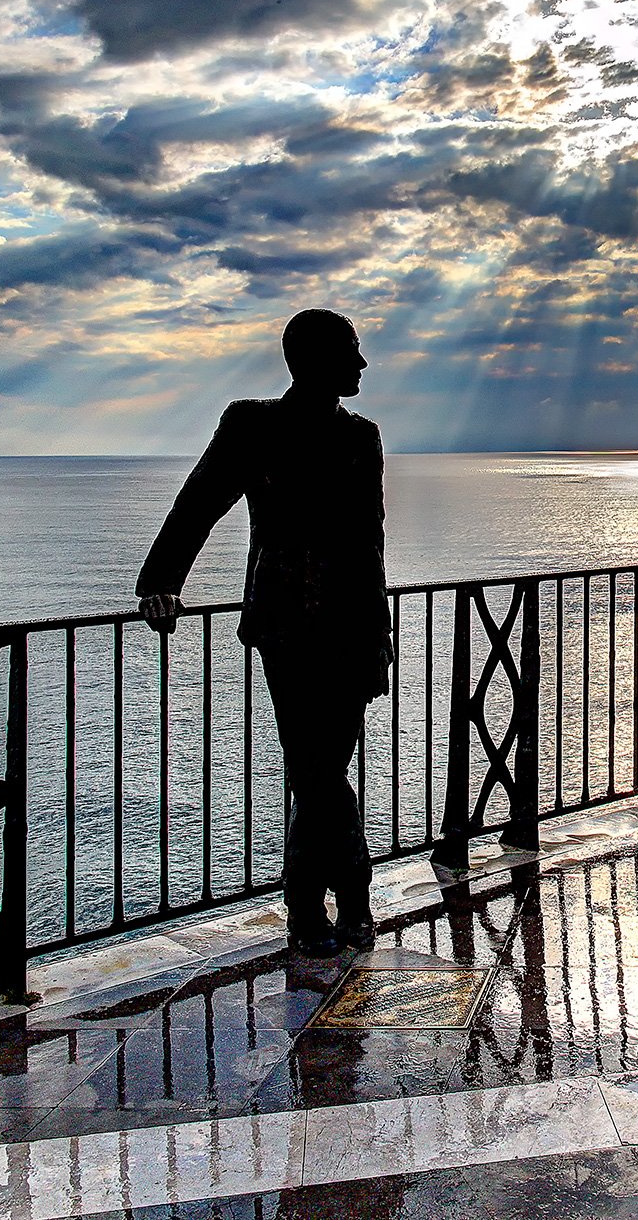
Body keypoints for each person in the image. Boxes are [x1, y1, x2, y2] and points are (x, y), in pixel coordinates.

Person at [135, 309, 392, 956]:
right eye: (351, 353)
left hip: (349, 630)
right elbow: (200, 501)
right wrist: (160, 581)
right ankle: (348, 900)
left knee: (318, 770)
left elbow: (369, 546)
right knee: (318, 769)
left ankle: (310, 910)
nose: (361, 366)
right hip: (283, 627)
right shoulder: (253, 424)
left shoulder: (361, 435)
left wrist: (378, 640)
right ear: (312, 359)